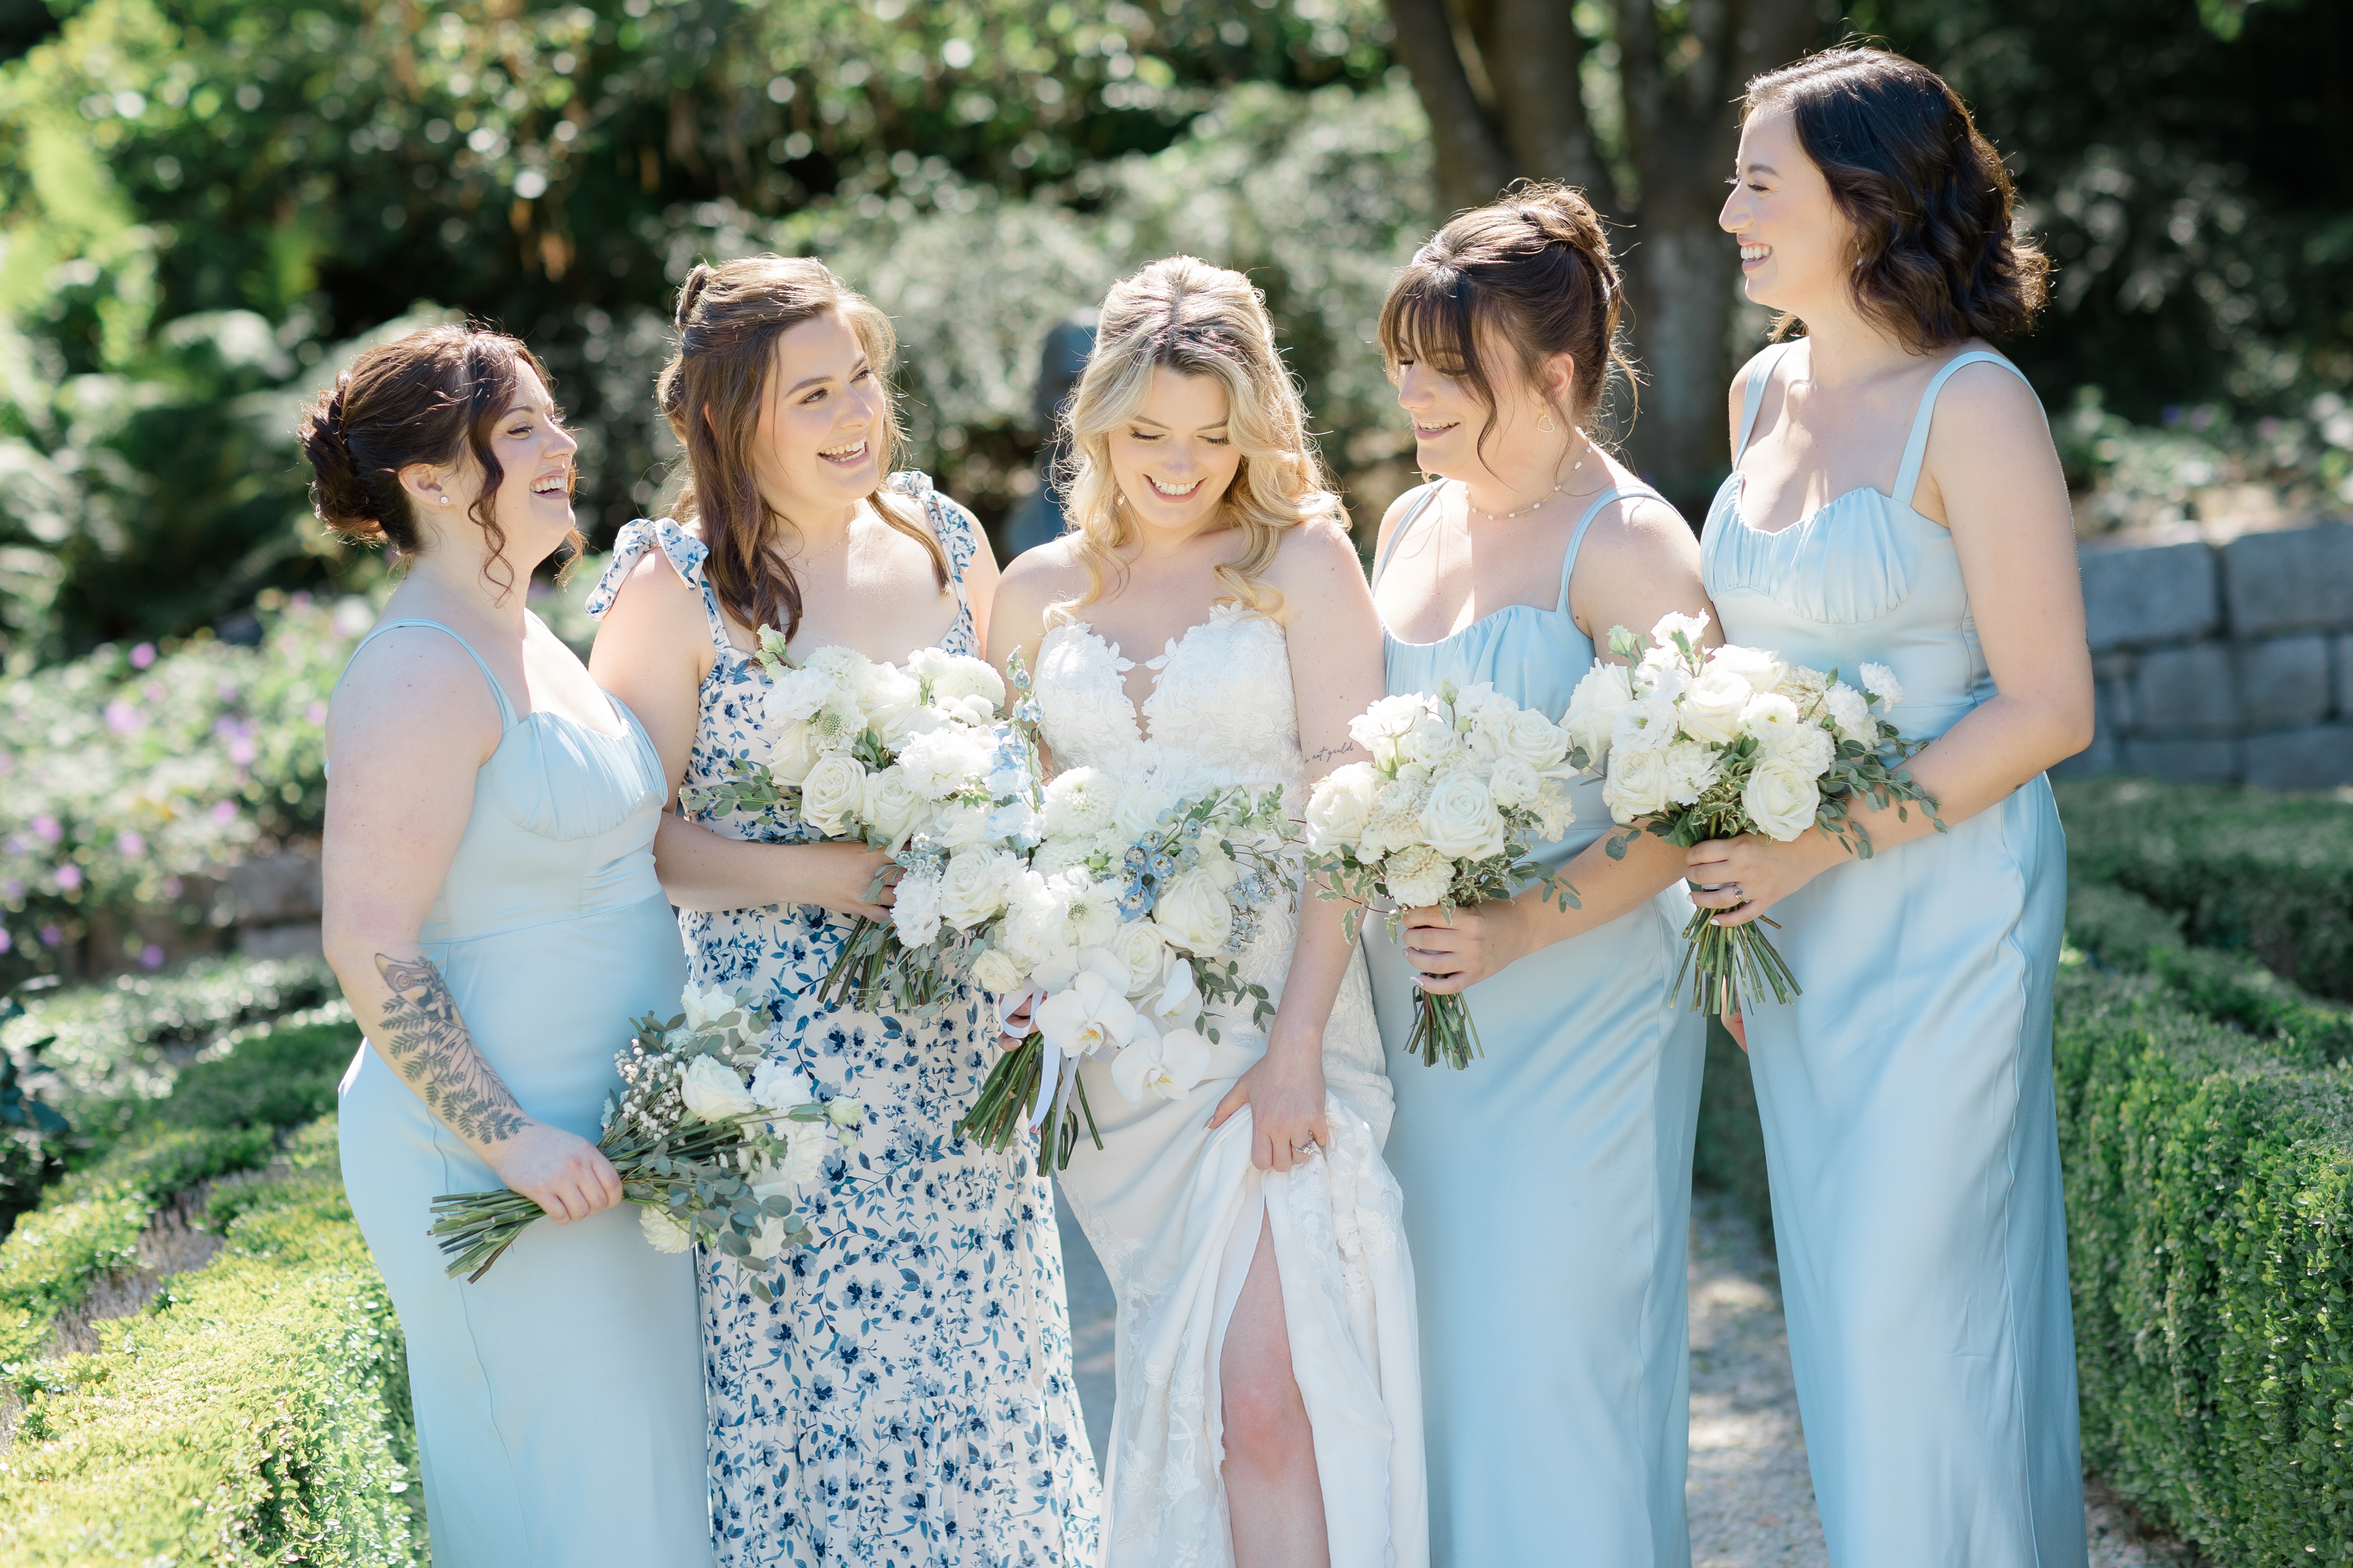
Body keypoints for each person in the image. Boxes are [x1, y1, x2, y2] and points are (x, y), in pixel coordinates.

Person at [587, 255, 1101, 1566]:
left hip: (957, 1054)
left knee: (987, 1397)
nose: (855, 413)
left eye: (861, 377)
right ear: (730, 419)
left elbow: (1016, 764)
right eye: (812, 394)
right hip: (790, 1081)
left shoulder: (945, 538)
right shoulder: (674, 587)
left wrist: (1013, 911)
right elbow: (626, 840)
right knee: (841, 1416)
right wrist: (820, 872)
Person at [1698, 45, 2093, 1565]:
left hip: (1945, 910)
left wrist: (1813, 842)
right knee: (1846, 1316)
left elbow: (2046, 705)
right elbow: (1736, 672)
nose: (1728, 209)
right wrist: (1724, 884)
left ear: (1863, 204)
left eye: (1756, 182)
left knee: (1913, 1297)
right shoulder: (1758, 393)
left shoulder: (1974, 404)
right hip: (1796, 929)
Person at [988, 255, 1426, 1568]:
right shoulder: (1029, 592)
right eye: (1146, 435)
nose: (1177, 466)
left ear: (1255, 430)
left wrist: (1295, 1049)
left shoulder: (1303, 561)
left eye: (1211, 436)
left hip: (1270, 1032)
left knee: (1266, 1404)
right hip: (1118, 1062)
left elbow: (1341, 817)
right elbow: (999, 823)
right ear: (1098, 423)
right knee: (1185, 1400)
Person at [312, 323, 710, 1566]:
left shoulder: (536, 633)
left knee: (650, 1497)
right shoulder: (418, 671)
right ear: (431, 478)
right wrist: (511, 1137)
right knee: (575, 1509)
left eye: (553, 419)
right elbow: (369, 939)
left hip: (615, 1148)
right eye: (522, 427)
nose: (563, 444)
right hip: (500, 1165)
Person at [1359, 183, 1713, 1566]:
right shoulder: (1408, 525)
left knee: (1554, 1358)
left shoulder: (1629, 547)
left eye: (1450, 371)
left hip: (1581, 1002)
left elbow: (1692, 807)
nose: (1413, 394)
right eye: (1406, 362)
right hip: (1418, 1012)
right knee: (1436, 1360)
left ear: (1554, 373)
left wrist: (1516, 925)